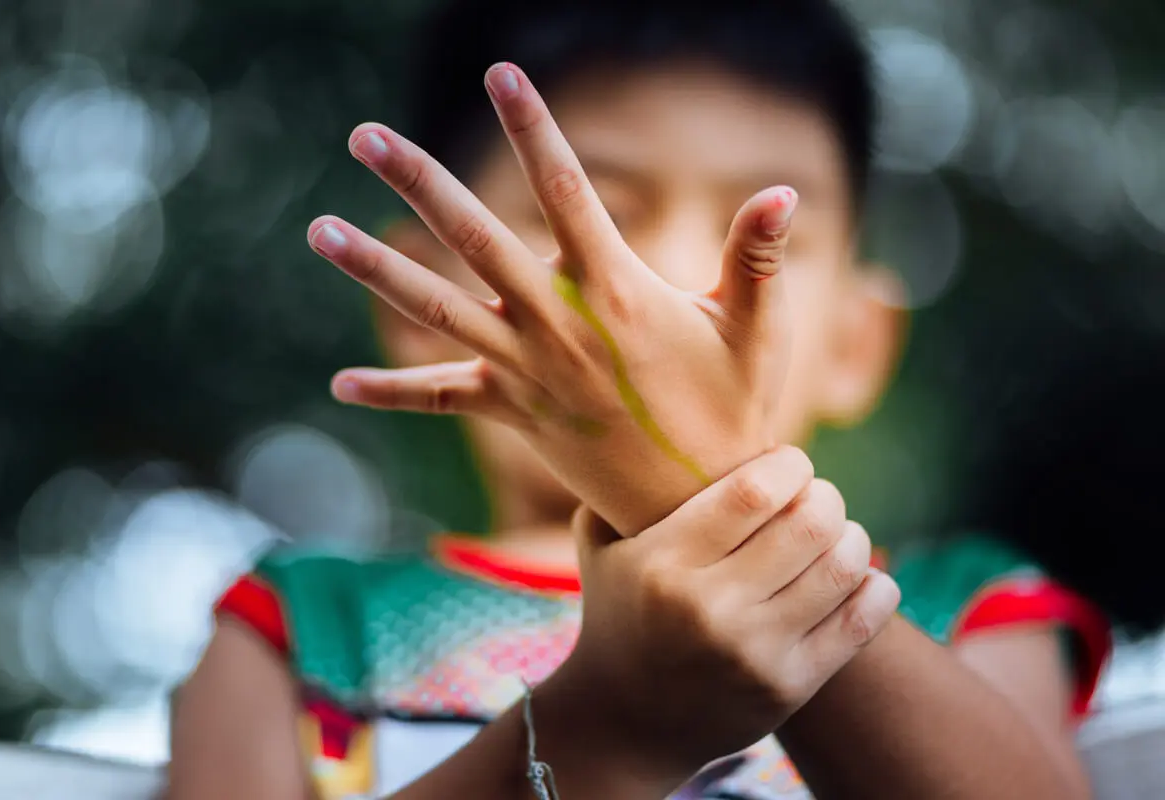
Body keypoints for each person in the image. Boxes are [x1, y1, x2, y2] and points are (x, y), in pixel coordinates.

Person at [168, 2, 1109, 798]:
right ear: (424, 302)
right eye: (600, 218)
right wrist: (602, 726)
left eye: (764, 236)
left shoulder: (965, 609)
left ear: (855, 345)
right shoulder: (299, 628)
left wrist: (700, 490)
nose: (663, 288)